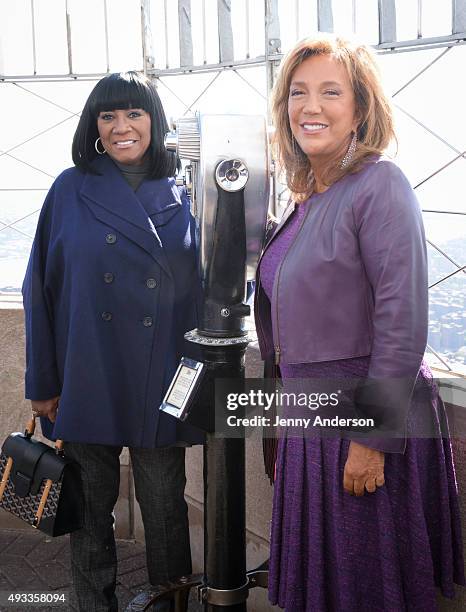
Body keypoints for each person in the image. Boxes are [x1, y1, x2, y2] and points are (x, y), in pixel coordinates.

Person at [254, 36, 465, 611]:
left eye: (330, 91)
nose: (310, 106)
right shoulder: (311, 195)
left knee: (365, 587)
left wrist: (372, 440)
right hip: (311, 416)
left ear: (361, 108)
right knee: (329, 586)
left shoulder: (381, 185)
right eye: (298, 93)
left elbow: (402, 321)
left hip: (361, 418)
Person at [22, 71, 203, 612]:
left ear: (156, 122)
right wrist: (43, 383)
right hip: (87, 372)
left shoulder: (188, 188)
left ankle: (172, 604)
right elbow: (40, 289)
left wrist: (201, 379)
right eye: (109, 116)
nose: (122, 127)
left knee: (165, 507)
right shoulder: (68, 187)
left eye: (134, 113)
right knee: (89, 509)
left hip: (163, 378)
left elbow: (207, 289)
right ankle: (91, 604)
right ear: (94, 126)